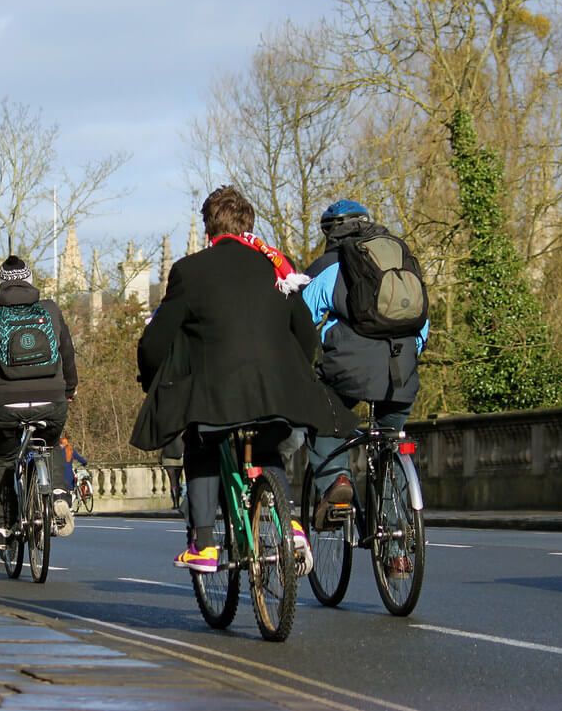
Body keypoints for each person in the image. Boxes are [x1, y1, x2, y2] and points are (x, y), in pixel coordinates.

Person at [132, 186, 358, 572]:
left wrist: (150, 376)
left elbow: (157, 340)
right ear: (248, 224)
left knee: (200, 441)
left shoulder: (190, 270)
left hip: (216, 395)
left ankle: (203, 544)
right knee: (267, 440)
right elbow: (305, 332)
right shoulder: (276, 265)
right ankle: (291, 528)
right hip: (277, 390)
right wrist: (295, 374)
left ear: (209, 230)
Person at [301, 200, 429, 577]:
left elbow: (303, 323)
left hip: (349, 371)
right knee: (392, 441)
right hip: (402, 371)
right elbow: (421, 325)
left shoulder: (328, 268)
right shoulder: (400, 258)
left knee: (323, 414)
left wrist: (306, 363)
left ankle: (337, 481)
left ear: (329, 232)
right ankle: (398, 551)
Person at [0, 255, 78, 549]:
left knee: (3, 459)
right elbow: (67, 353)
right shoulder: (50, 309)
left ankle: (1, 527)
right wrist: (69, 388)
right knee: (49, 443)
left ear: (1, 282)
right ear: (30, 279)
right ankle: (59, 495)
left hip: (7, 403)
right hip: (52, 398)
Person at [159, 434, 184, 509]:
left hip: (168, 460)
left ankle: (175, 503)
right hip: (179, 460)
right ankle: (178, 501)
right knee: (177, 480)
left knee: (172, 481)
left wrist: (159, 459)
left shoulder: (165, 434)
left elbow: (160, 448)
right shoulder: (180, 432)